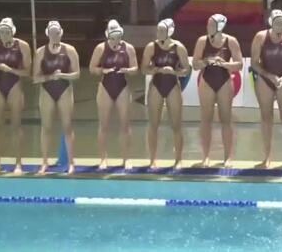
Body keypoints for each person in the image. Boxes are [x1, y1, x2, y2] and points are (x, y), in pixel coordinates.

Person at [250, 10, 282, 169]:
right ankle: (267, 158)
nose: (280, 25)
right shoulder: (260, 37)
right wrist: (269, 75)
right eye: (277, 22)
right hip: (266, 80)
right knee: (266, 118)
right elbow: (254, 63)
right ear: (271, 22)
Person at [192, 14, 243, 168]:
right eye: (207, 24)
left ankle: (228, 157)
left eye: (211, 25)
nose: (208, 27)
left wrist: (224, 64)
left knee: (226, 120)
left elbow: (239, 65)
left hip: (224, 81)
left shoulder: (231, 41)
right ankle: (206, 157)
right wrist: (206, 61)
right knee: (206, 120)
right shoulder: (202, 41)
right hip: (207, 81)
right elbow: (195, 64)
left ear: (220, 26)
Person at [89, 20, 138, 170]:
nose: (115, 39)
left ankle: (126, 158)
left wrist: (128, 71)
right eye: (112, 36)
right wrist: (102, 71)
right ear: (108, 35)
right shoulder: (100, 48)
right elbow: (92, 68)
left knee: (125, 125)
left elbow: (135, 68)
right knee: (103, 125)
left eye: (117, 36)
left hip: (122, 86)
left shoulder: (128, 48)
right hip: (105, 87)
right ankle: (103, 158)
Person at [0, 18, 32, 175]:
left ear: (13, 32)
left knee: (16, 126)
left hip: (14, 85)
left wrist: (10, 70)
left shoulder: (23, 46)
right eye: (2, 32)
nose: (5, 34)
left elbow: (27, 72)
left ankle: (18, 163)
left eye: (7, 32)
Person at [141, 19, 190, 169]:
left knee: (176, 125)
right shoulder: (151, 47)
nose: (159, 34)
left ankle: (178, 159)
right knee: (153, 124)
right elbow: (143, 69)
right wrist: (156, 70)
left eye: (162, 31)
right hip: (156, 84)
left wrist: (174, 71)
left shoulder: (179, 47)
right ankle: (152, 159)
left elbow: (187, 69)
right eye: (158, 31)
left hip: (173, 85)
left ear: (169, 32)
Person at [33, 21, 80, 174]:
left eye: (56, 32)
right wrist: (50, 77)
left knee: (67, 127)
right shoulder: (40, 52)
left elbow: (77, 74)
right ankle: (45, 162)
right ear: (48, 34)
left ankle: (72, 163)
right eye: (52, 32)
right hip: (47, 91)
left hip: (65, 90)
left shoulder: (70, 50)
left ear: (61, 33)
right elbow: (35, 78)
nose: (54, 35)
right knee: (46, 127)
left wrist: (62, 75)